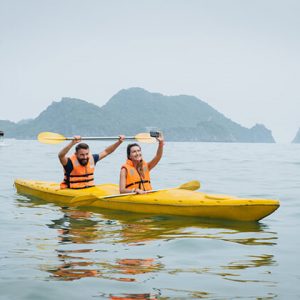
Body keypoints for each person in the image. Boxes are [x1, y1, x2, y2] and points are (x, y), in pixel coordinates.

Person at [59, 135, 125, 189]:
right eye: (82, 155)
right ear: (76, 154)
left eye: (86, 154)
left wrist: (119, 142)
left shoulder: (92, 159)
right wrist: (72, 143)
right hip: (72, 191)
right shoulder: (69, 162)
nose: (85, 157)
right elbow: (61, 155)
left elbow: (107, 151)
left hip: (90, 189)